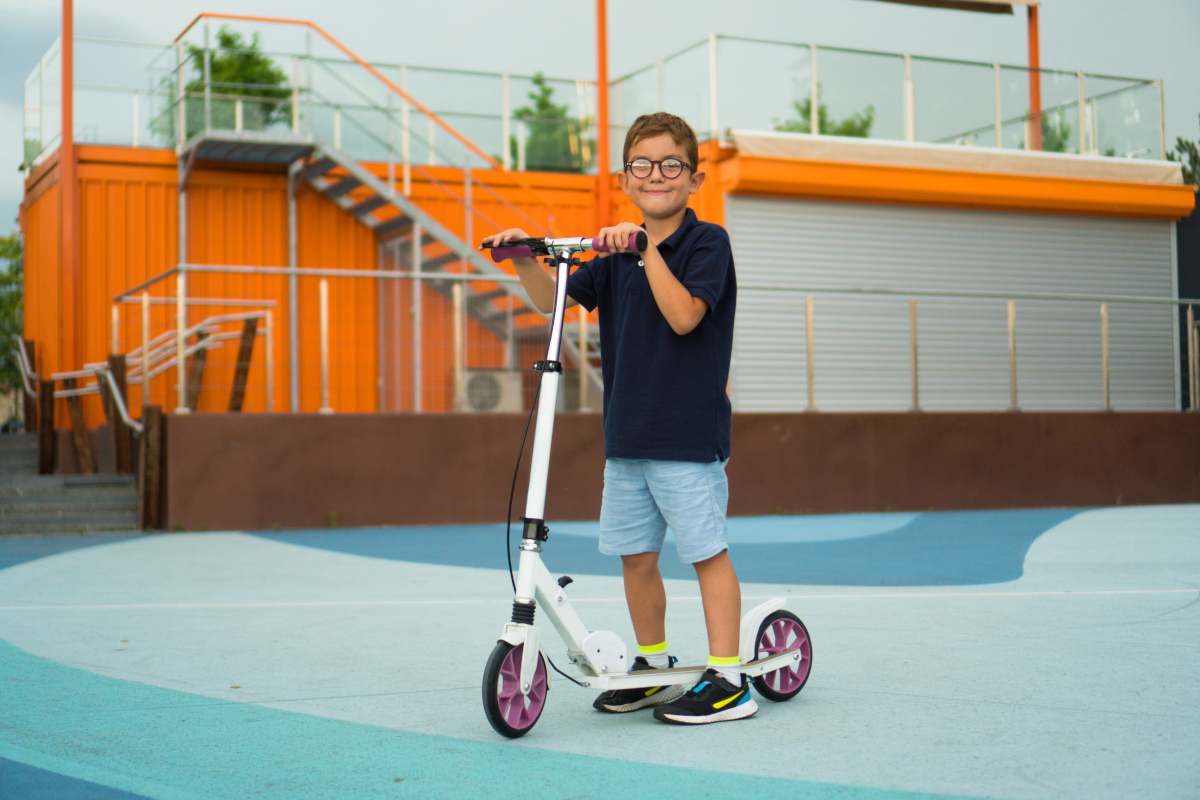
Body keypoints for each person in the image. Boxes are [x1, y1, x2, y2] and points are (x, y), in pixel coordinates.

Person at [482, 112, 750, 725]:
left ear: (694, 178)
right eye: (642, 166)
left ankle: (730, 678)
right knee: (635, 557)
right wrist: (525, 256)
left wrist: (645, 247)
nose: (656, 175)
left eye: (670, 165)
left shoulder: (706, 244)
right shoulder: (612, 255)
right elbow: (554, 301)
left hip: (686, 436)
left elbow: (685, 317)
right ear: (623, 179)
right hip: (627, 436)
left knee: (707, 552)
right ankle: (654, 669)